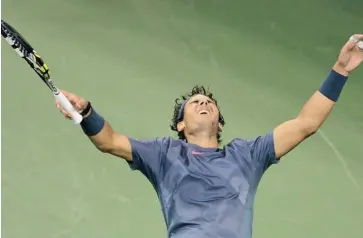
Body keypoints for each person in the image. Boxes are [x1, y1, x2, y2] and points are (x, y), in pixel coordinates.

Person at [56, 34, 363, 238]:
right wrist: (85, 113)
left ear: (219, 123)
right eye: (194, 103)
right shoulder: (163, 156)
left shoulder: (247, 156)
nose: (203, 103)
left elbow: (306, 123)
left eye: (209, 103)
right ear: (180, 126)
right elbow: (109, 141)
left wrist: (340, 69)